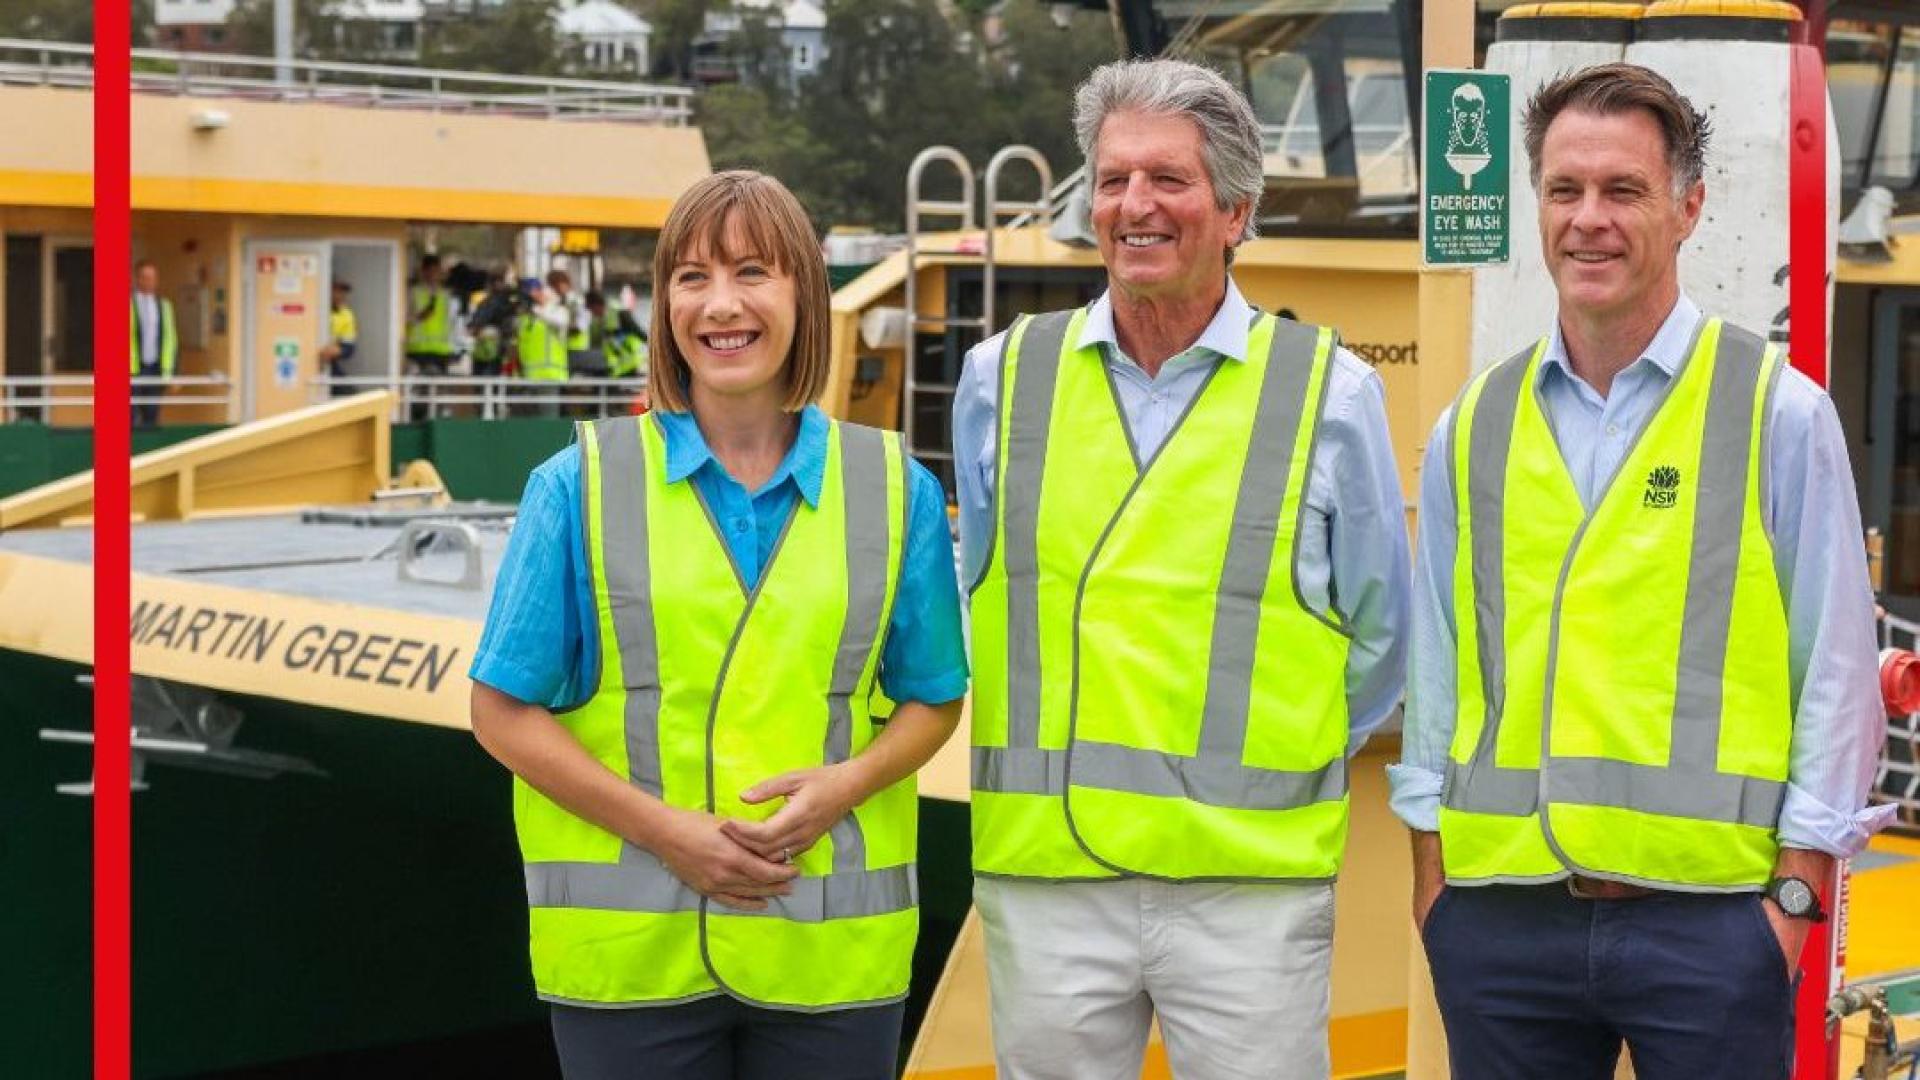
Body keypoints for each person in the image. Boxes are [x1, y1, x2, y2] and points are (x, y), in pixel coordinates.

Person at [1395, 63, 1893, 1080]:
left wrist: (1793, 902)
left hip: (1710, 933)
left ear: (1689, 207)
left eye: (1623, 191)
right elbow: (1438, 676)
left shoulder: (1776, 414)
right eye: (1565, 191)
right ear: (1537, 202)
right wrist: (1434, 884)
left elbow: (1837, 673)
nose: (1590, 221)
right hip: (1500, 927)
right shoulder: (1471, 427)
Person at [951, 58, 1410, 1079]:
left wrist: (1261, 765)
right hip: (1046, 881)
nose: (1135, 206)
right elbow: (985, 595)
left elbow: (1383, 642)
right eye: (1112, 180)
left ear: (1237, 209)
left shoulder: (1332, 398)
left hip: (1246, 892)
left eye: (1168, 180)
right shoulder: (997, 383)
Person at [468, 169, 968, 1080]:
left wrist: (849, 783)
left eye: (751, 272)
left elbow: (935, 699)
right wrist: (666, 833)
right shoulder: (575, 485)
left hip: (831, 959)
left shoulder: (899, 492)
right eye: (690, 277)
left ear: (803, 298)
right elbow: (501, 713)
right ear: (662, 306)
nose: (720, 304)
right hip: (630, 966)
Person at [130, 260, 177, 429]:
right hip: (132, 370)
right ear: (137, 279)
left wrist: (172, 373)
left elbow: (171, 340)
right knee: (130, 415)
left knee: (152, 413)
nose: (148, 282)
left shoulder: (164, 306)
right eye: (145, 277)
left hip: (155, 369)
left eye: (152, 278)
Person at [516, 278, 572, 416]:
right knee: (528, 422)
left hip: (550, 376)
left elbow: (560, 322)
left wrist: (540, 309)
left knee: (548, 419)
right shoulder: (526, 318)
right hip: (528, 378)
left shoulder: (558, 311)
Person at [587, 289, 648, 379]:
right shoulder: (596, 322)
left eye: (591, 309)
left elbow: (639, 332)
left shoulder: (619, 312)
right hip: (614, 367)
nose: (592, 313)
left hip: (630, 364)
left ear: (596, 305)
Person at [318, 279, 357, 398]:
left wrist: (337, 351)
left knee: (350, 394)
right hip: (308, 363)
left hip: (328, 364)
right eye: (337, 291)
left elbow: (349, 347)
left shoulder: (346, 314)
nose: (341, 296)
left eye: (343, 292)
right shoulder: (315, 307)